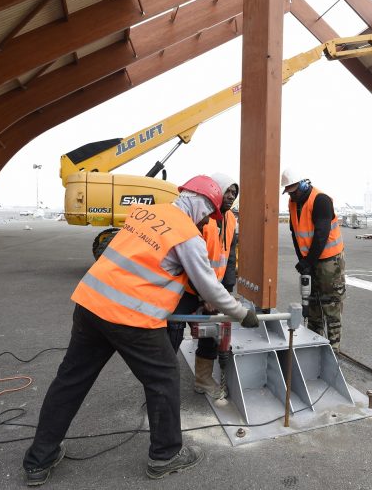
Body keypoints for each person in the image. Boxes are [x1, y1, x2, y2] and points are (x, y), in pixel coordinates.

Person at [22, 175, 259, 486]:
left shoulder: (147, 212)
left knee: (70, 379)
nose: (205, 220)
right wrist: (243, 313)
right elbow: (210, 289)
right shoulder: (187, 234)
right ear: (202, 202)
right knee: (163, 377)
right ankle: (165, 455)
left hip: (91, 305)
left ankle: (39, 459)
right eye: (207, 213)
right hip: (130, 317)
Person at [167, 173, 239, 400]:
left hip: (212, 288)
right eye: (227, 191)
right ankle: (164, 384)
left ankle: (203, 380)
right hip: (186, 289)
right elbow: (186, 260)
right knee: (172, 332)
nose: (230, 197)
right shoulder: (201, 216)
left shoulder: (232, 221)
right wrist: (203, 292)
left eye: (234, 194)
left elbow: (230, 256)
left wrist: (225, 290)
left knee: (211, 333)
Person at [280, 168, 346, 353]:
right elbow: (295, 234)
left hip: (329, 262)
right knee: (313, 303)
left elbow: (321, 234)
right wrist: (303, 261)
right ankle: (314, 344)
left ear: (303, 184)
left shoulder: (321, 200)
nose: (292, 196)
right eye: (289, 192)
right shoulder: (293, 203)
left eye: (294, 191)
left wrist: (308, 261)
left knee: (330, 304)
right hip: (311, 259)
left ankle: (334, 350)